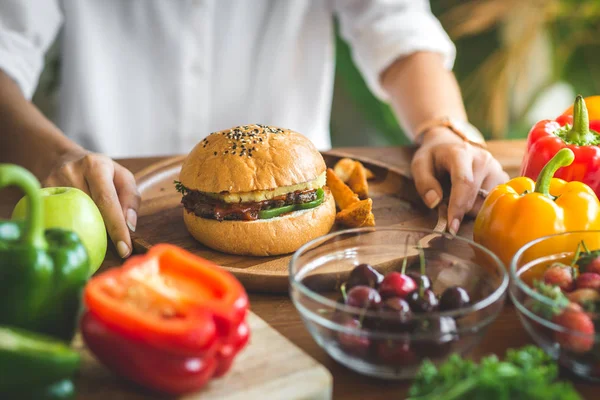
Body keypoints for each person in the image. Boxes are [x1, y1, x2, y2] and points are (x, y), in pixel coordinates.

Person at [0, 0, 508, 259]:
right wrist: (52, 154)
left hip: (307, 218)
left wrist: (442, 127)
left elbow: (396, 28)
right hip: (99, 209)